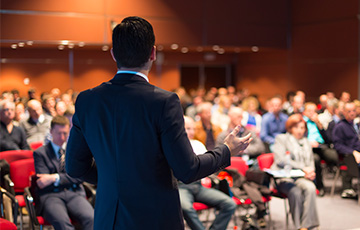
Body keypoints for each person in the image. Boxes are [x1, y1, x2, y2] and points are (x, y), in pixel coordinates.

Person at [65, 16, 251, 230]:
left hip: (109, 218)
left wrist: (114, 177)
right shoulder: (164, 102)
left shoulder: (88, 100)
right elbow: (187, 170)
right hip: (155, 219)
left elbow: (74, 167)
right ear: (153, 53)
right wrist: (226, 150)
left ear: (114, 54)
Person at [34, 115, 94, 230]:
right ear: (51, 131)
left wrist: (54, 178)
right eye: (58, 133)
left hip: (74, 193)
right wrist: (68, 178)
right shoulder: (40, 153)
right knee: (63, 224)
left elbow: (80, 177)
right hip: (51, 195)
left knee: (91, 219)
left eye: (65, 133)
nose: (62, 137)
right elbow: (42, 182)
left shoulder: (75, 151)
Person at [179, 116, 236, 230]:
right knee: (186, 208)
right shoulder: (175, 147)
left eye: (193, 129)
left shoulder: (198, 144)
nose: (191, 132)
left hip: (198, 186)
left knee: (229, 204)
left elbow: (209, 166)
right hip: (182, 187)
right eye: (188, 128)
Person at [271, 114, 320, 230]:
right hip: (284, 177)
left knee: (311, 188)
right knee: (296, 192)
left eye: (302, 128)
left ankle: (306, 226)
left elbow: (311, 161)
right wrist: (303, 167)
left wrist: (311, 172)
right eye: (297, 127)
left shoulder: (306, 142)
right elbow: (280, 160)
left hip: (301, 177)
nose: (300, 131)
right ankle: (298, 226)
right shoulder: (282, 139)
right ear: (290, 128)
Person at [303, 102, 338, 196]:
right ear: (304, 112)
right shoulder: (302, 122)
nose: (312, 113)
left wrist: (319, 125)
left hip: (321, 146)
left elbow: (328, 139)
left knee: (334, 156)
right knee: (315, 160)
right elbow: (299, 138)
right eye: (309, 111)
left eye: (314, 111)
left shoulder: (318, 122)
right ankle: (319, 186)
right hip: (308, 148)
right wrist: (308, 143)